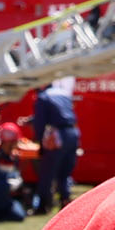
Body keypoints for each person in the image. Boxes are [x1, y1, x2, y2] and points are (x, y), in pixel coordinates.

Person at [30, 78, 80, 211]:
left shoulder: (43, 97)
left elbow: (40, 124)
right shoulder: (64, 94)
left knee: (47, 172)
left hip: (58, 136)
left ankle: (43, 205)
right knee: (65, 172)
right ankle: (65, 201)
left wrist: (40, 143)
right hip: (73, 133)